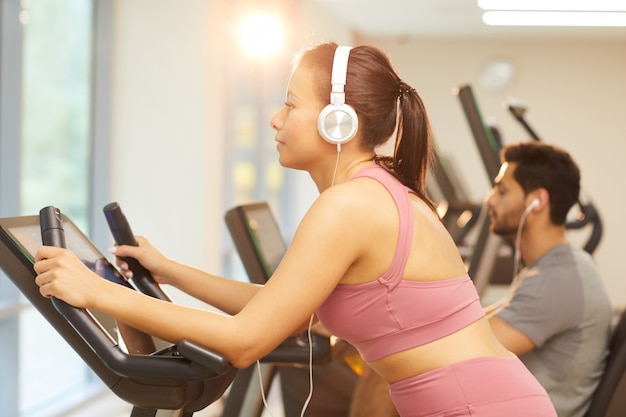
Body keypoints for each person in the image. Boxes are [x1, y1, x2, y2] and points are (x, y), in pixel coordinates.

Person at [33, 42, 556, 416]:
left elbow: (244, 342)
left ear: (337, 121)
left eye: (289, 104)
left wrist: (97, 292)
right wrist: (170, 272)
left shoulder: (351, 206)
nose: (275, 121)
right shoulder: (374, 193)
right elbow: (278, 304)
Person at [484, 141, 612, 417]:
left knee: (395, 373)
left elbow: (465, 350)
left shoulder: (556, 279)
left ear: (537, 201)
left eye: (501, 190)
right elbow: (474, 326)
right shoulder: (552, 269)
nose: (490, 199)